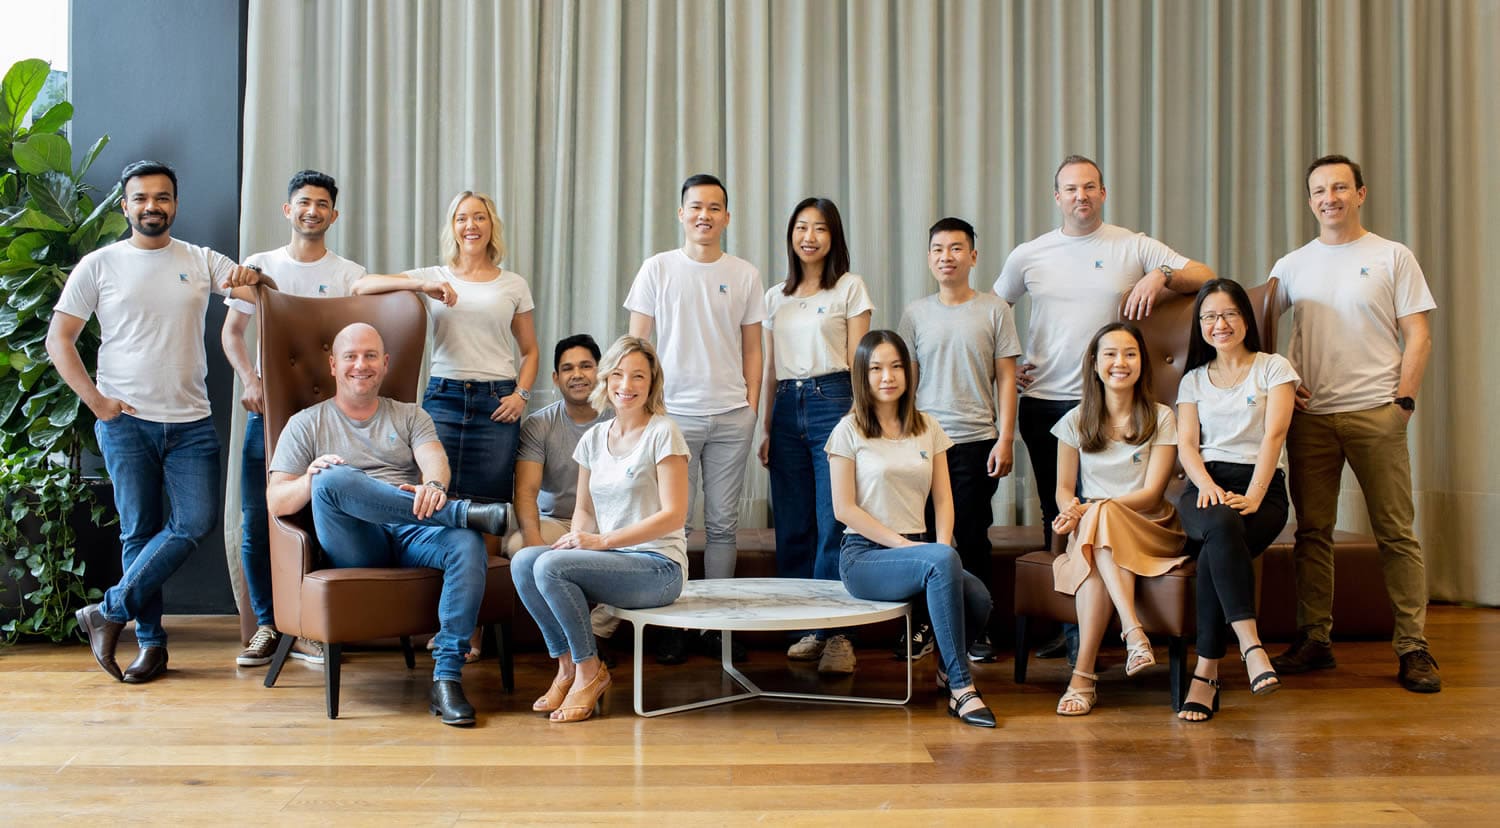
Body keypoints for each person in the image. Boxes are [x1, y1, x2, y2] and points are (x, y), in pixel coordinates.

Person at [50, 160, 269, 684]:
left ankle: (110, 609)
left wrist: (252, 276)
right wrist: (97, 402)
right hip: (126, 423)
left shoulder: (198, 260)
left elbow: (254, 295)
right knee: (139, 531)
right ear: (125, 206)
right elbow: (58, 341)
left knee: (193, 522)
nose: (153, 206)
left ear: (175, 203)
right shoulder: (99, 265)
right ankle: (151, 646)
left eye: (163, 197)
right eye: (142, 198)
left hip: (191, 422)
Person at [994, 155, 1213, 663]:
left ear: (1103, 192)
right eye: (1070, 189)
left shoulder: (1132, 245)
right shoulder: (1030, 254)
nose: (1080, 197)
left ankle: (1101, 635)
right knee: (1061, 513)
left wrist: (1159, 276)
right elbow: (991, 311)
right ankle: (1070, 627)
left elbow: (1204, 275)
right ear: (1057, 197)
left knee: (1112, 506)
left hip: (1118, 399)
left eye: (1089, 187)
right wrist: (1006, 365)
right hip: (1049, 402)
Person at [264, 323, 509, 727]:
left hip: (412, 529)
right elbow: (276, 500)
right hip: (354, 540)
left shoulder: (411, 415)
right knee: (333, 477)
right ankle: (462, 511)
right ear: (333, 365)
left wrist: (433, 485)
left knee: (467, 542)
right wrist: (311, 479)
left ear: (385, 363)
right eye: (351, 356)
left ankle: (446, 677)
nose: (361, 365)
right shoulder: (306, 423)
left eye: (371, 356)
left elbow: (435, 463)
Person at [1269, 154, 1440, 693]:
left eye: (1340, 187)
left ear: (1360, 194)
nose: (1329, 198)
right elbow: (1257, 335)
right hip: (1311, 419)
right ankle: (1314, 640)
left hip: (1377, 414)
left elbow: (1418, 335)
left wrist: (1403, 404)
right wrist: (1283, 381)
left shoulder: (1392, 256)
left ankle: (1413, 648)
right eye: (1319, 190)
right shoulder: (1291, 264)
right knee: (1313, 533)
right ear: (1310, 200)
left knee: (1395, 533)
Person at [224, 169, 365, 669]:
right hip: (270, 417)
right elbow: (232, 335)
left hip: (330, 420)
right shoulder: (260, 266)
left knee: (320, 514)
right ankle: (267, 625)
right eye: (304, 202)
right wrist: (250, 380)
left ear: (334, 213)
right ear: (289, 210)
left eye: (322, 203)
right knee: (259, 519)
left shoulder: (349, 272)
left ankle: (314, 629)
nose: (312, 210)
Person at [511, 336, 691, 723]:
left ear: (652, 383)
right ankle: (567, 667)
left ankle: (591, 671)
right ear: (606, 380)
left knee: (548, 567)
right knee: (527, 561)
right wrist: (574, 544)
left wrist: (600, 543)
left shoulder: (664, 432)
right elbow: (584, 510)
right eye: (619, 375)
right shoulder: (594, 437)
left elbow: (675, 515)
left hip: (658, 567)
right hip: (613, 560)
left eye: (638, 376)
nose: (627, 386)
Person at [626, 173, 765, 662]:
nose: (704, 215)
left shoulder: (745, 273)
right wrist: (647, 411)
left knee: (724, 525)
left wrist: (751, 406)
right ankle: (674, 620)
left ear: (727, 217)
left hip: (731, 415)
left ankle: (719, 625)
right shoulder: (657, 269)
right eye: (696, 206)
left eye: (715, 207)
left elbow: (753, 346)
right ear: (681, 214)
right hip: (673, 417)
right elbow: (637, 345)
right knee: (674, 525)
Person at [827, 330, 996, 728]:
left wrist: (942, 549)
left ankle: (943, 670)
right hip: (866, 556)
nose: (888, 376)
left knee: (981, 599)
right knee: (941, 563)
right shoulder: (847, 431)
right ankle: (961, 687)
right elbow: (844, 509)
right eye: (877, 369)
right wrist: (908, 547)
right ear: (862, 377)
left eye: (897, 366)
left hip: (924, 552)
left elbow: (943, 499)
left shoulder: (928, 428)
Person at [352, 190, 539, 504]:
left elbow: (530, 351)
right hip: (444, 397)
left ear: (491, 225)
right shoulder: (434, 276)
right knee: (435, 495)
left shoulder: (514, 284)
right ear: (453, 227)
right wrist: (422, 285)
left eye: (480, 217)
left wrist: (521, 395)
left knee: (489, 502)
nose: (471, 225)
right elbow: (360, 286)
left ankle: (487, 557)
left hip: (497, 401)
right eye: (462, 218)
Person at [757, 197, 872, 674]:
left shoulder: (849, 287)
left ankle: (838, 634)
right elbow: (767, 369)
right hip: (786, 406)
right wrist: (765, 427)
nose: (809, 237)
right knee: (793, 523)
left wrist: (861, 423)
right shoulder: (774, 296)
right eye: (801, 228)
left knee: (834, 520)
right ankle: (805, 626)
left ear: (833, 236)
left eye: (819, 228)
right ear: (790, 236)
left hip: (835, 400)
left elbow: (862, 364)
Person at [898, 217, 1020, 664]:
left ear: (973, 255)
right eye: (937, 249)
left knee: (970, 538)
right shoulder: (915, 313)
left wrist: (1005, 439)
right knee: (924, 538)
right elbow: (905, 384)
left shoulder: (994, 310)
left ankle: (976, 628)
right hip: (923, 444)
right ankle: (923, 628)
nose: (946, 257)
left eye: (955, 248)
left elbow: (1007, 380)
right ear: (929, 257)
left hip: (975, 441)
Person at [1174, 279, 1296, 721]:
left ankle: (1205, 673)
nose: (1219, 324)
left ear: (1245, 318)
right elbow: (1187, 444)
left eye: (1228, 314)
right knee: (1220, 525)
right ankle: (1250, 645)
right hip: (1204, 486)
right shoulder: (1192, 381)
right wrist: (1205, 484)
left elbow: (1274, 435)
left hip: (1262, 487)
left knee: (1216, 546)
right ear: (1200, 325)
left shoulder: (1274, 368)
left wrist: (1255, 494)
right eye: (1209, 317)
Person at [1050, 323, 1186, 716]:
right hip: (1095, 528)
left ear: (1142, 363)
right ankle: (1095, 669)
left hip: (1150, 526)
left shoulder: (1162, 418)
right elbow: (1062, 488)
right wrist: (1070, 510)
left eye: (1130, 353)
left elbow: (1152, 494)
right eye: (1110, 354)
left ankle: (1121, 641)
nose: (1120, 362)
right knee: (1095, 558)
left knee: (1103, 520)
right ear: (1094, 363)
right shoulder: (1075, 420)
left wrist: (1091, 510)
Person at [507, 334, 611, 555]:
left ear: (601, 372)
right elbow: (526, 491)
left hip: (609, 522)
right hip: (558, 522)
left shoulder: (619, 418)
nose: (577, 375)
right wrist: (533, 542)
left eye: (586, 366)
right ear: (556, 378)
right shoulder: (540, 424)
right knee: (518, 546)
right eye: (567, 368)